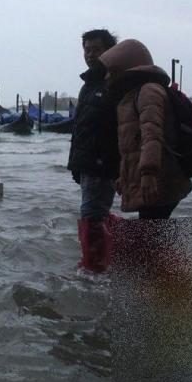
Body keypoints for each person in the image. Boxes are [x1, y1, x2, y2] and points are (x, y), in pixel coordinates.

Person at [99, 39, 192, 219]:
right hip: (153, 180)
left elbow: (152, 135)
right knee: (152, 237)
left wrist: (149, 173)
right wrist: (125, 177)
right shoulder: (134, 94)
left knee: (150, 238)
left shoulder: (148, 92)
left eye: (112, 71)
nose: (107, 77)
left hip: (159, 180)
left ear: (125, 69)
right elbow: (134, 144)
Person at [67, 28, 120, 272]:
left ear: (109, 51)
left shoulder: (114, 83)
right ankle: (111, 253)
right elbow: (81, 128)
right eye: (87, 50)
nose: (90, 54)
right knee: (96, 213)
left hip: (103, 164)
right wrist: (75, 164)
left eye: (96, 49)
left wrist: (116, 166)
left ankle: (93, 268)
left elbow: (120, 128)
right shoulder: (88, 84)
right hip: (87, 164)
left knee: (92, 215)